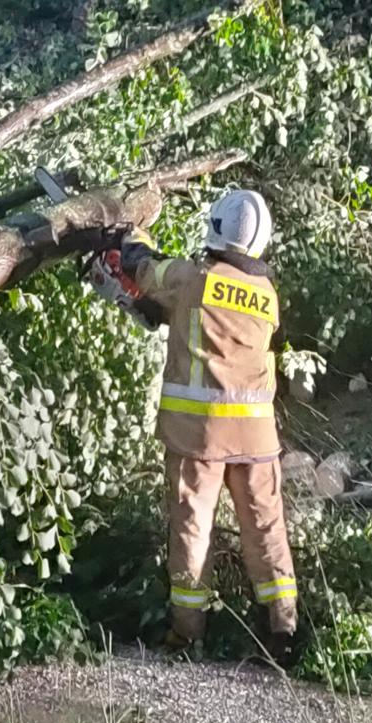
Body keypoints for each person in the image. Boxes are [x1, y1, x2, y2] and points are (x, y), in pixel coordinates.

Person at [116, 189, 299, 660]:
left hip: (199, 434)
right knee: (264, 528)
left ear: (216, 227)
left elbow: (145, 269)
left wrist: (128, 237)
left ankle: (186, 632)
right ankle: (282, 633)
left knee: (193, 530)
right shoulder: (267, 296)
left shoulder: (193, 278)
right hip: (256, 436)